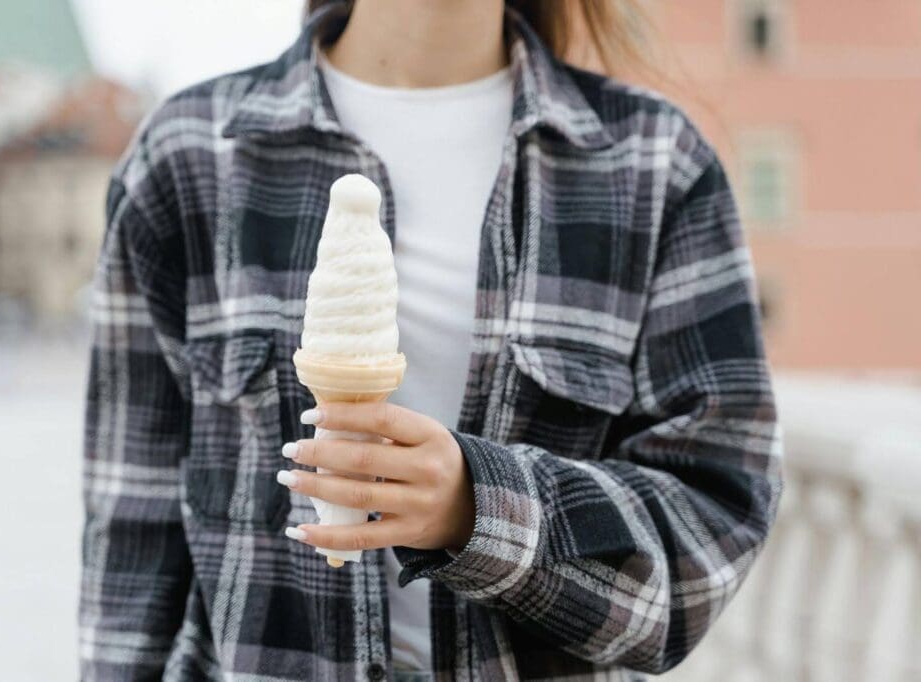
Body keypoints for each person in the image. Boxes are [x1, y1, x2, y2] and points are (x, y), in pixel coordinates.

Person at [80, 1, 783, 680]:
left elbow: (707, 544)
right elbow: (131, 534)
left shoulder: (657, 167)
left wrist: (479, 507)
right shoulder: (189, 156)